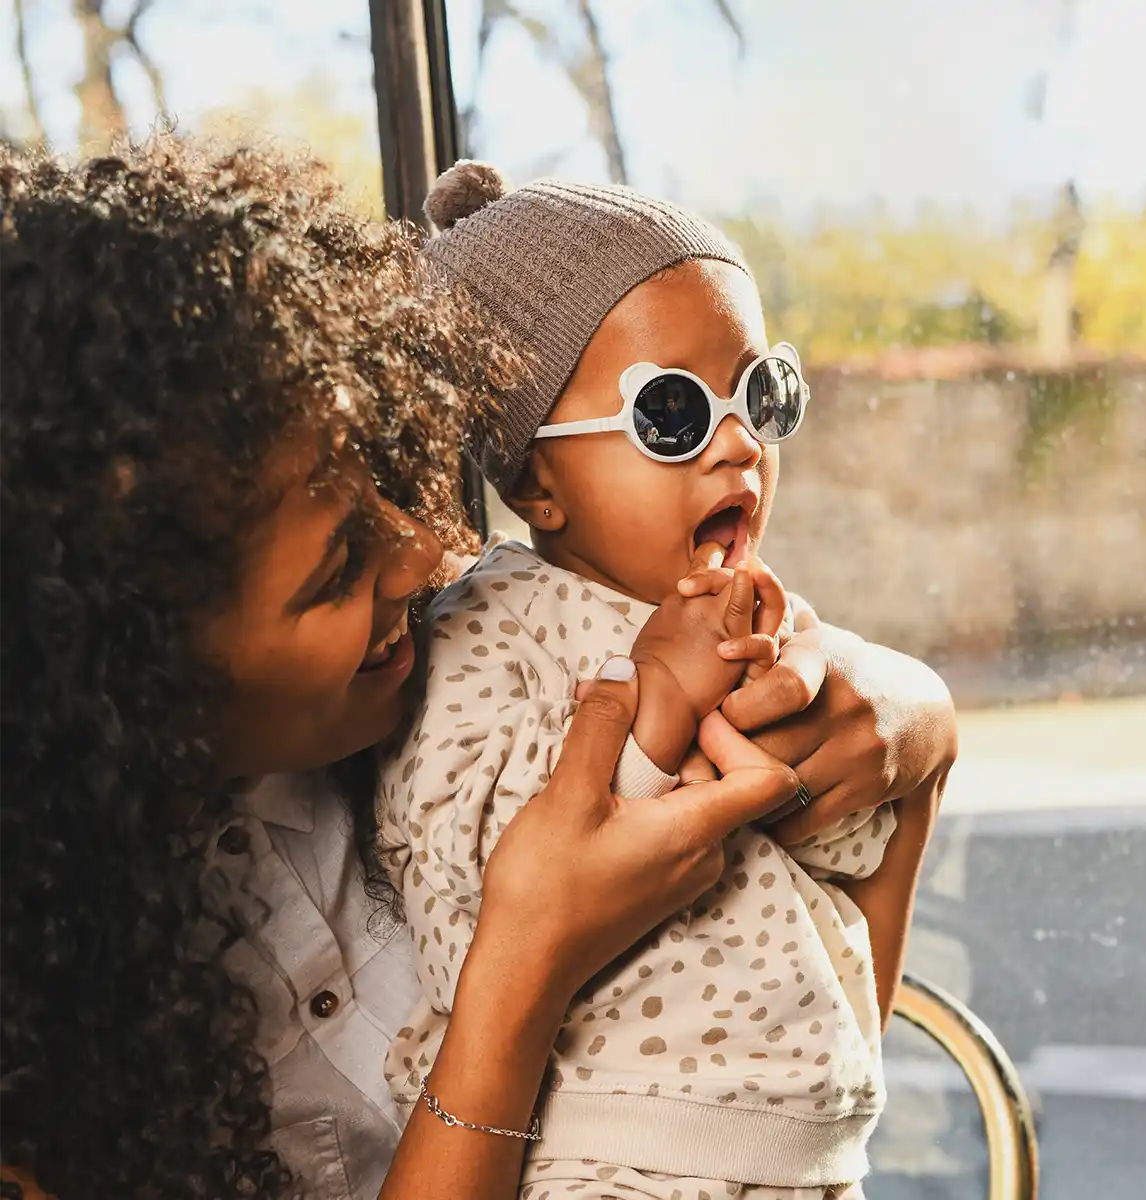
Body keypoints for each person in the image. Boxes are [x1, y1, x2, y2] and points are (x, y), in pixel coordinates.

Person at [0, 137, 956, 1200]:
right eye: (337, 571)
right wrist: (521, 972)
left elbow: (804, 1039)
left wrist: (920, 728)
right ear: (131, 660)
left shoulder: (417, 685)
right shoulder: (53, 1038)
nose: (425, 553)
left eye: (389, 487)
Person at [379, 164, 923, 1200]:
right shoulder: (487, 626)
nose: (739, 445)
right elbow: (471, 862)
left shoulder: (771, 624)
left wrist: (846, 765)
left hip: (807, 1155)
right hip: (613, 1155)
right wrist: (657, 713)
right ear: (537, 481)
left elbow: (850, 847)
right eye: (673, 414)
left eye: (763, 396)